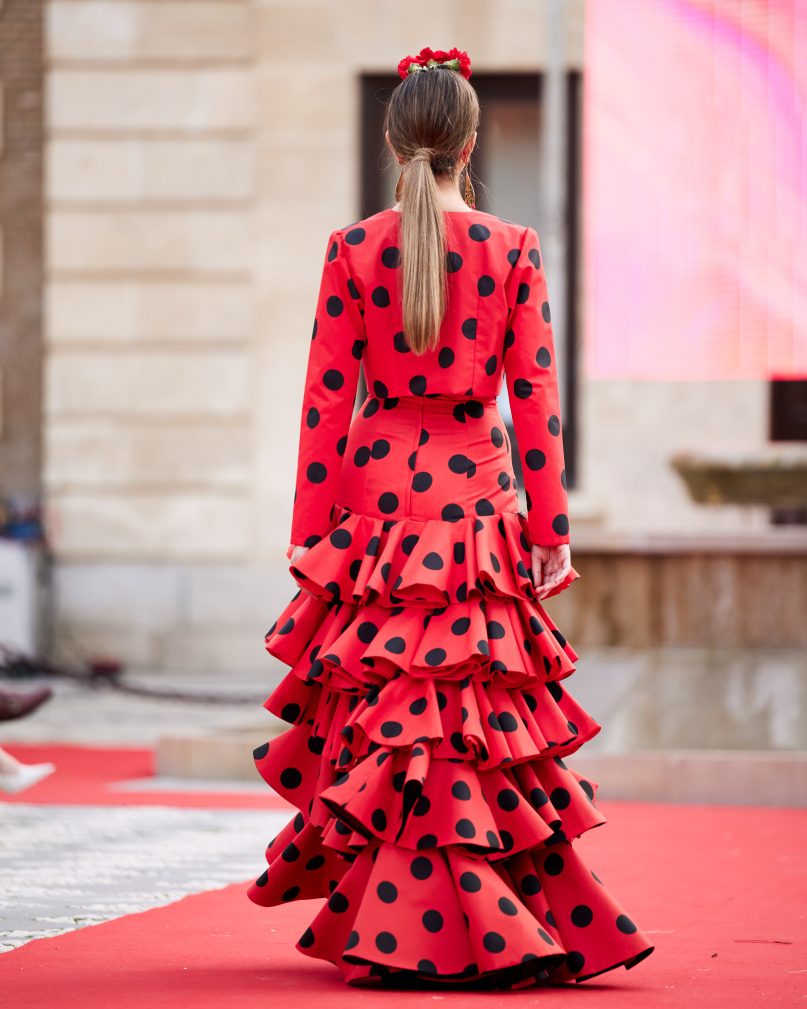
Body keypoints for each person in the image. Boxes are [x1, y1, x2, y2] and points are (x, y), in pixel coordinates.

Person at [246, 46, 655, 990]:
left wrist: (310, 529)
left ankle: (397, 923)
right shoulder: (512, 248)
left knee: (391, 715)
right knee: (473, 713)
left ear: (394, 141)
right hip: (474, 499)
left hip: (376, 503)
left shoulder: (352, 250)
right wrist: (551, 528)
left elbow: (324, 400)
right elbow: (536, 396)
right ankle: (493, 916)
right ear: (471, 143)